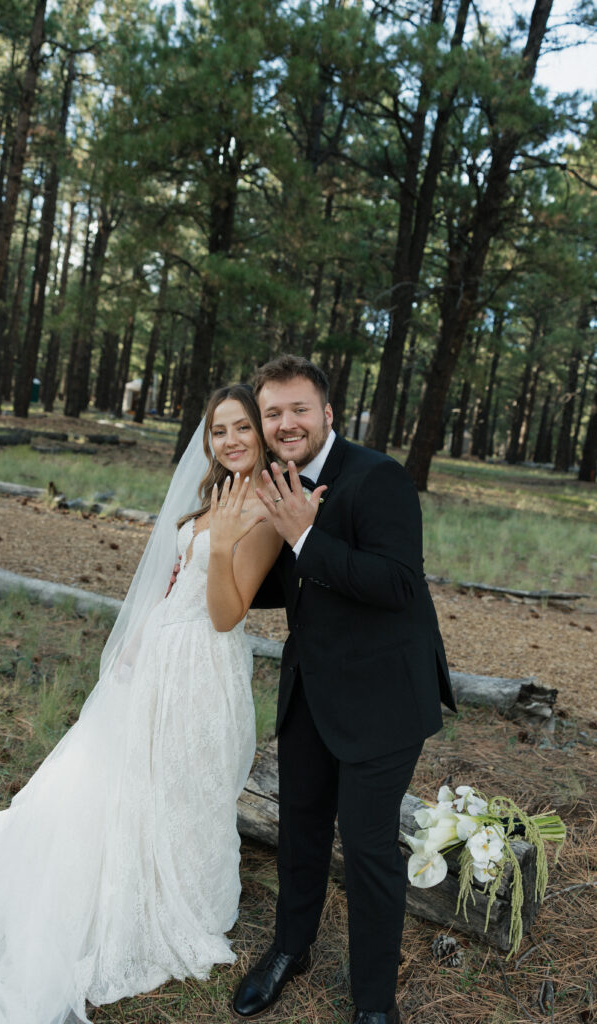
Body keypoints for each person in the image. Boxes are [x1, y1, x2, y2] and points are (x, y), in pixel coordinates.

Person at [0, 384, 281, 1024]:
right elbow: (173, 589)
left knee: (182, 787)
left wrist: (223, 544)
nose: (230, 441)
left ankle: (173, 896)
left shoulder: (265, 510)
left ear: (261, 430)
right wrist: (129, 663)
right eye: (218, 430)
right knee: (117, 781)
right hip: (160, 660)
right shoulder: (214, 496)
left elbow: (225, 616)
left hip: (202, 668)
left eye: (241, 427)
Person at [232, 355, 456, 1024]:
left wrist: (301, 532)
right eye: (272, 413)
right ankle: (288, 949)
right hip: (309, 688)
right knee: (300, 831)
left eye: (298, 409)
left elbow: (395, 584)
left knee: (364, 849)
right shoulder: (279, 478)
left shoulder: (377, 477)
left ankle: (372, 1003)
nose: (284, 423)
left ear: (327, 412)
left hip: (383, 697)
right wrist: (213, 568)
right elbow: (291, 581)